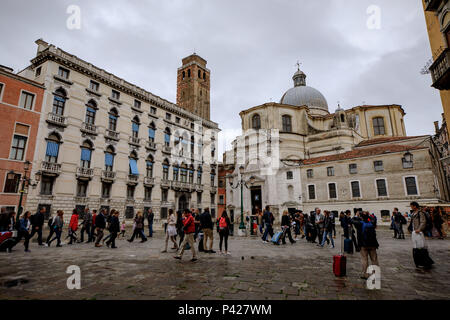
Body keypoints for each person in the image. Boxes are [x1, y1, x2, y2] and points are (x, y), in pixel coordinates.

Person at [352, 211, 379, 279]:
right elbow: (374, 219)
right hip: (373, 244)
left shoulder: (359, 223)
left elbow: (351, 220)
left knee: (364, 259)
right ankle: (375, 274)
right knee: (374, 259)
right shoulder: (372, 222)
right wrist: (368, 215)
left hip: (363, 244)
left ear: (361, 217)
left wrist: (356, 215)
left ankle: (365, 274)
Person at [409, 202, 434, 269]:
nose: (410, 207)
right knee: (416, 247)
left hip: (419, 232)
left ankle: (425, 262)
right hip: (414, 231)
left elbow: (423, 221)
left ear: (415, 206)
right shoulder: (413, 213)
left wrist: (419, 229)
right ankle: (419, 262)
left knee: (421, 247)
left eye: (411, 206)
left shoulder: (420, 213)